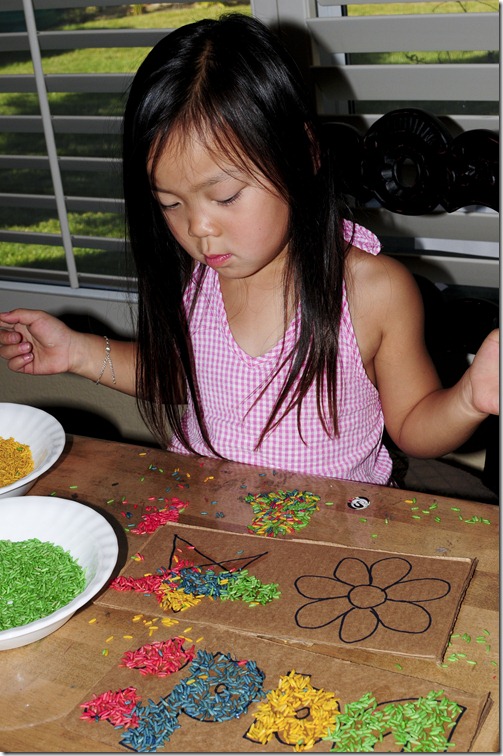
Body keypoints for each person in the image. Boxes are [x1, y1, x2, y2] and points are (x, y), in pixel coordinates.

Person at [0, 14, 498, 485]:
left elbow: (412, 425)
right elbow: (184, 377)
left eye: (225, 197)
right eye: (170, 203)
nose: (198, 228)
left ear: (302, 154)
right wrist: (78, 351)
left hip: (330, 526)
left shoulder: (372, 291)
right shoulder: (201, 275)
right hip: (206, 510)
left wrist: (470, 398)